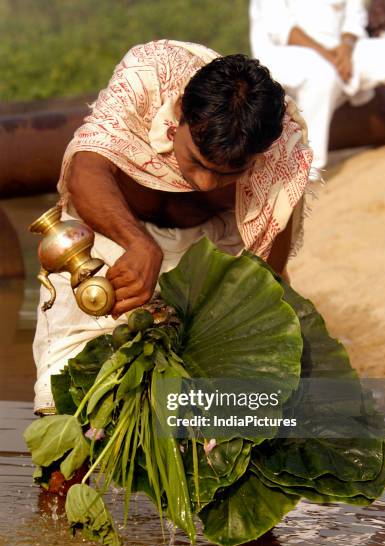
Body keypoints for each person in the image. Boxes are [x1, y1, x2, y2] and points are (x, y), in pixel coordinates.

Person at [33, 39, 313, 415]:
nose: (206, 184)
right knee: (66, 398)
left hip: (211, 258)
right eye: (197, 161)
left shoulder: (283, 154)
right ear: (179, 112)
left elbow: (264, 274)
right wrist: (140, 245)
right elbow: (87, 168)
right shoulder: (150, 74)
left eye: (228, 174)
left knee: (206, 411)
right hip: (110, 236)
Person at [249, 0, 385, 170]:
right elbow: (282, 29)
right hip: (286, 55)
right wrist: (330, 57)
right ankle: (310, 168)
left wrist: (346, 48)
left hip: (342, 51)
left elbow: (355, 14)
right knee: (321, 75)